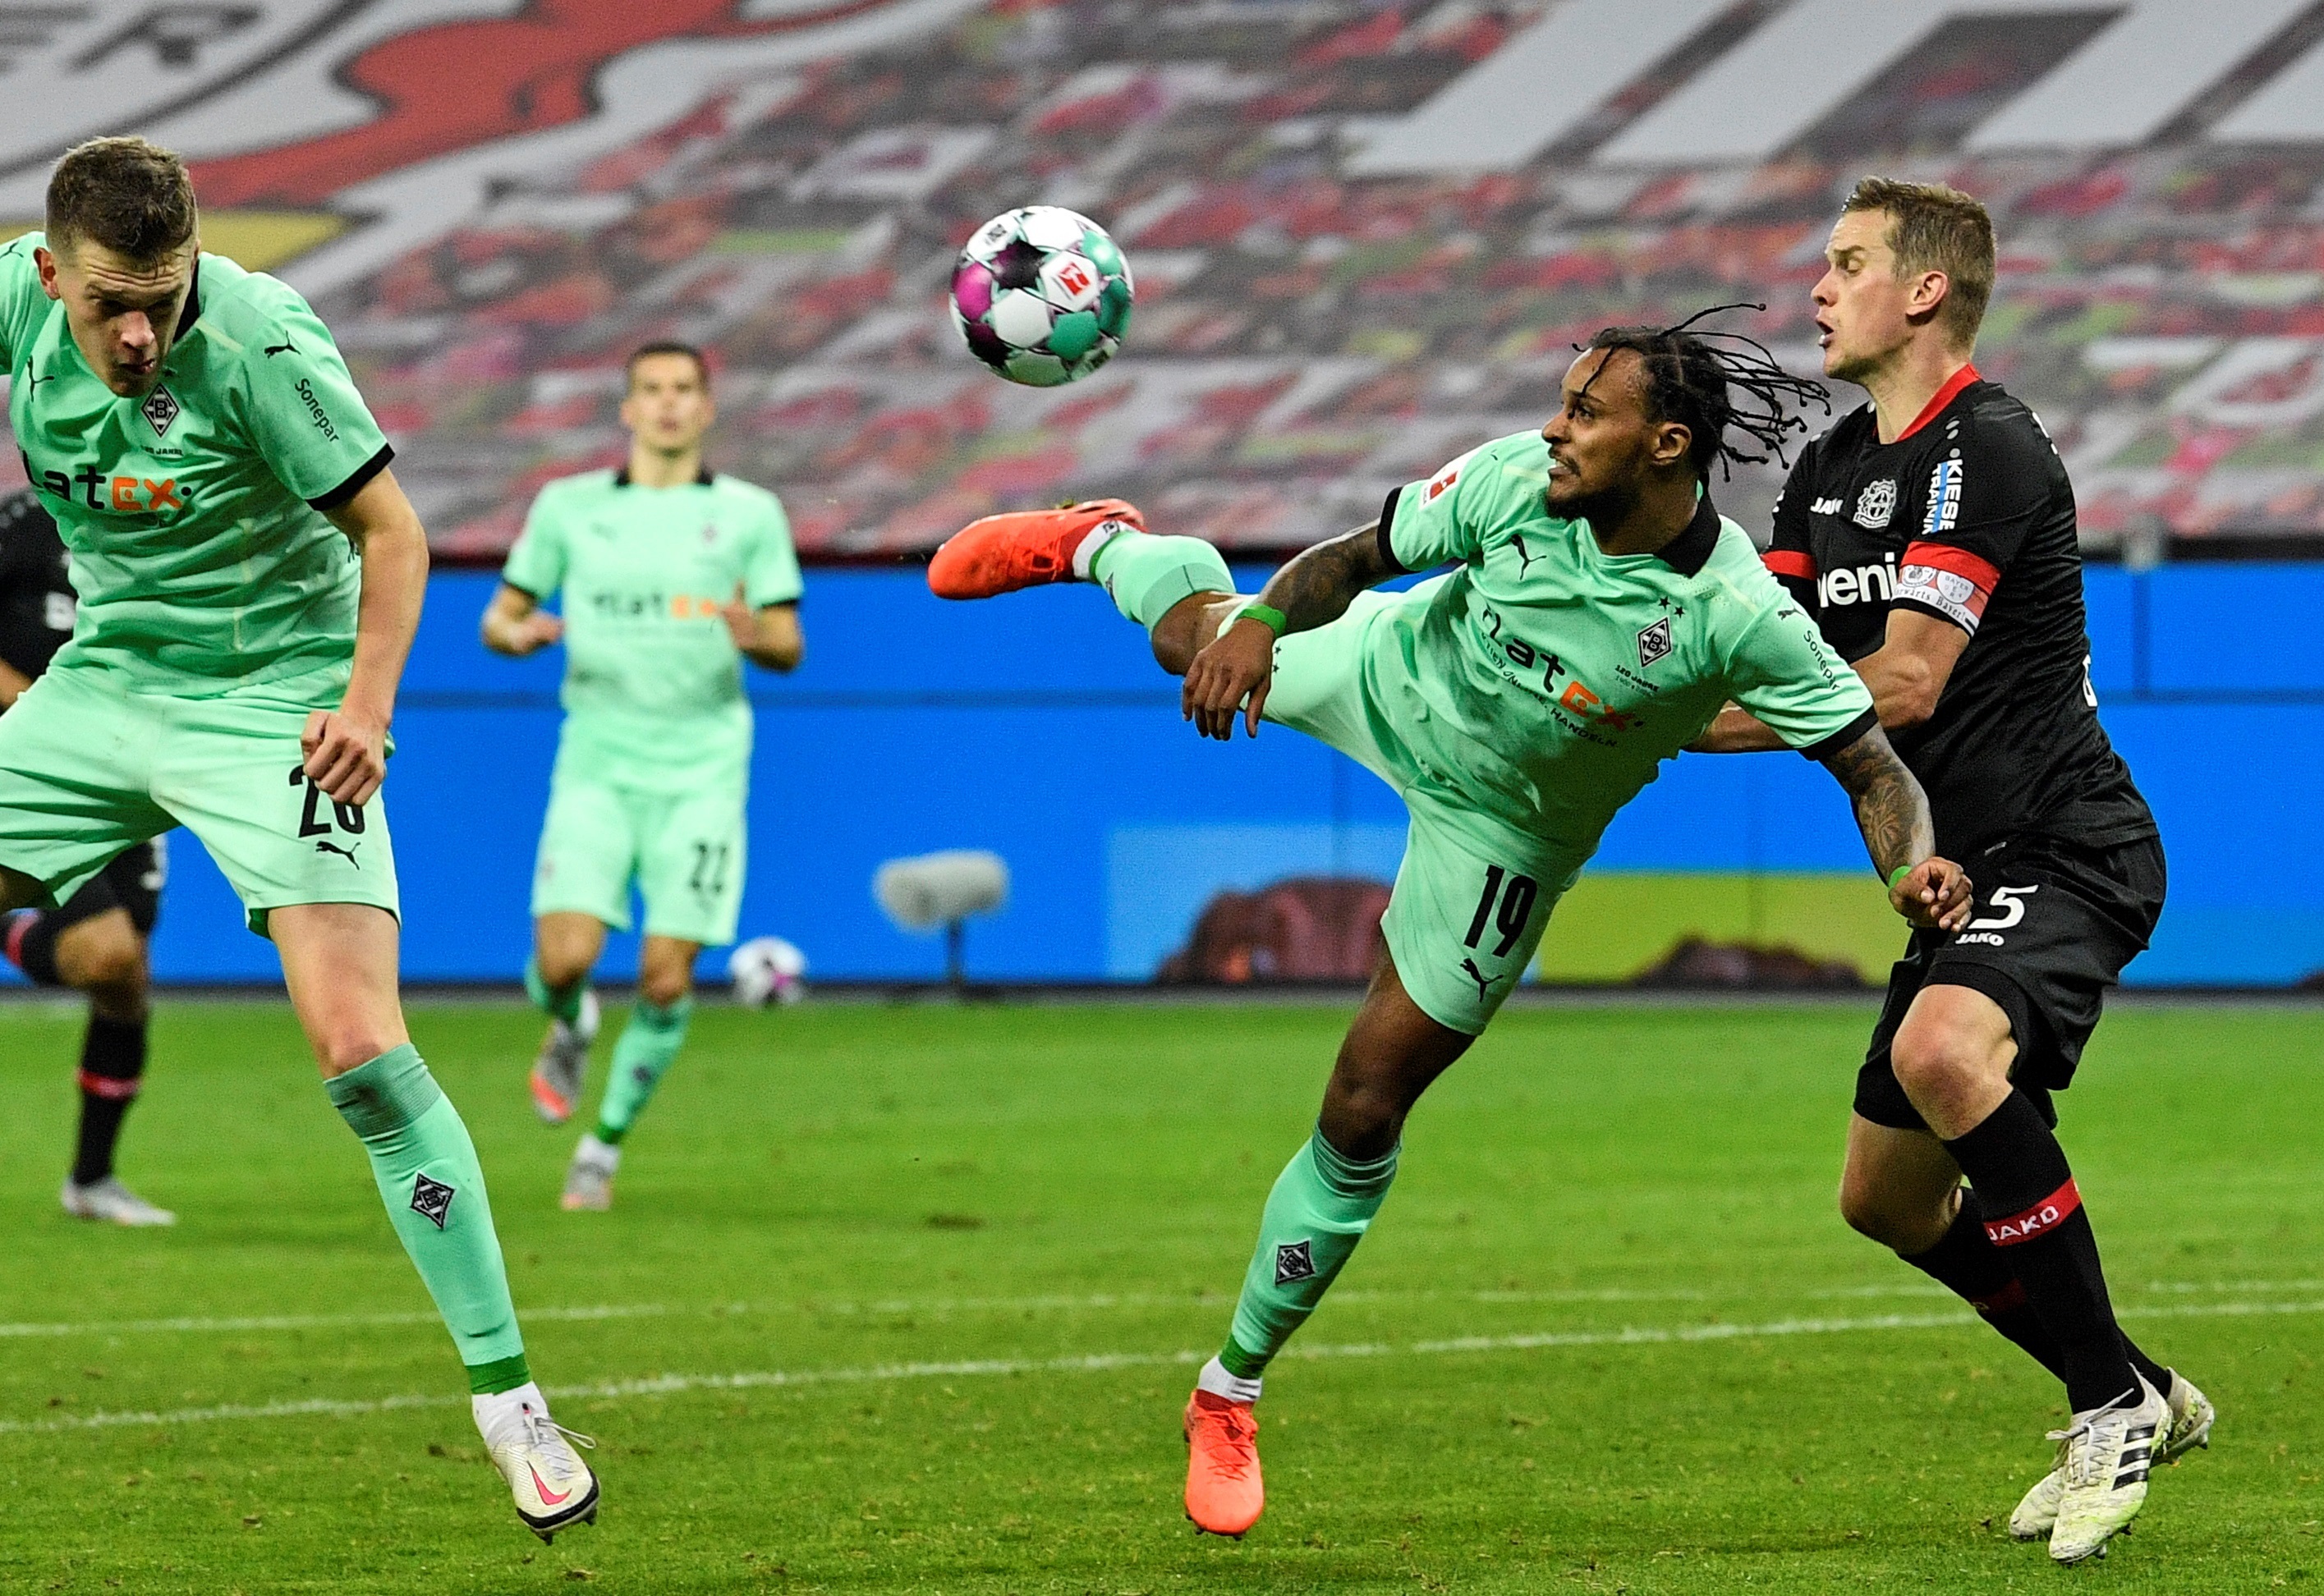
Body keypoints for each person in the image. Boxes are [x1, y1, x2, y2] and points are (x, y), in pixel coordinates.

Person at [929, 312, 1973, 1539]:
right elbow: (1354, 561)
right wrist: (1263, 626)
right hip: (1385, 673)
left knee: (1366, 1104)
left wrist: (1914, 869)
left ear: (1667, 445)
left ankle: (1227, 1390)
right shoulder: (1507, 484)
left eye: (1589, 412)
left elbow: (1872, 767)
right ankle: (1104, 542)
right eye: (1563, 401)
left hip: (1504, 836)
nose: (1556, 427)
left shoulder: (1738, 614)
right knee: (1195, 640)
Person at [0, 137, 598, 1540]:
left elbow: (395, 535)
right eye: (109, 305)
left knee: (360, 1051)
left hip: (280, 700)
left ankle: (514, 1406)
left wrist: (363, 709)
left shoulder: (262, 341)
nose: (140, 331)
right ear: (49, 273)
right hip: (107, 684)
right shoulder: (19, 299)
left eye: (163, 293)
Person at [1694, 177, 2211, 1564]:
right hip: (1962, 868)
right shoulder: (1821, 471)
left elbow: (1900, 685)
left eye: (1845, 261)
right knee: (1886, 1198)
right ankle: (2140, 1384)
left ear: (1921, 291)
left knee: (1940, 1049)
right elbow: (1767, 653)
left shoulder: (1985, 447)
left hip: (2067, 840)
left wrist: (1662, 729)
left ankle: (2101, 1398)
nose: (1814, 286)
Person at [481, 341, 802, 1211]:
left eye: (683, 391)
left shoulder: (747, 515)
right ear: (626, 410)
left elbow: (787, 643)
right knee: (564, 959)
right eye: (650, 391)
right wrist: (517, 634)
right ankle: (571, 1018)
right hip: (597, 764)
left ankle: (603, 1146)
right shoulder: (569, 508)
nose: (666, 405)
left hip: (701, 771)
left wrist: (753, 632)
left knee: (665, 976)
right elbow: (498, 617)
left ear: (706, 408)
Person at [0, 487, 174, 1225]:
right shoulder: (23, 527)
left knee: (126, 975)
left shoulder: (164, 527)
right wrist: (38, 710)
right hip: (25, 765)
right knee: (104, 953)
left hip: (126, 770)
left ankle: (92, 1180)